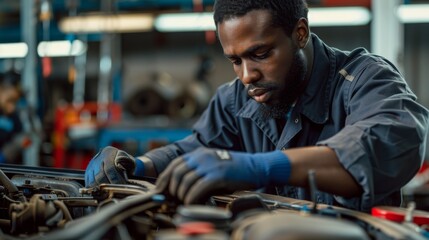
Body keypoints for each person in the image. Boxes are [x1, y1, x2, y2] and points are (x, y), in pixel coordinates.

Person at [85, 0, 429, 212]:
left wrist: (261, 167)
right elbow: (195, 151)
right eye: (235, 60)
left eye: (260, 54)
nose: (247, 75)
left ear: (300, 33)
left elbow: (388, 144)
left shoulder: (365, 79)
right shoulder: (235, 97)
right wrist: (136, 165)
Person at [0, 71, 27, 164]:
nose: (12, 107)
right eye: (9, 100)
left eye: (15, 102)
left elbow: (21, 136)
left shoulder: (14, 117)